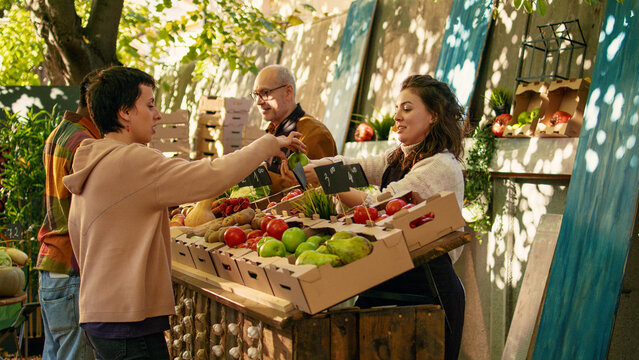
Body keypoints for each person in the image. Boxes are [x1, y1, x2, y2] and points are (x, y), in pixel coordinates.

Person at [62, 66, 305, 360]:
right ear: (125, 113)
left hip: (102, 314)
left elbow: (77, 236)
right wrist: (267, 144)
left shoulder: (95, 160)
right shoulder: (132, 161)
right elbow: (208, 177)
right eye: (149, 105)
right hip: (127, 321)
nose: (158, 114)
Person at [304, 74, 465, 360]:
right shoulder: (401, 156)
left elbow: (379, 205)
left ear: (433, 116)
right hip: (392, 277)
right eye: (396, 109)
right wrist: (323, 166)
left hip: (427, 292)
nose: (397, 117)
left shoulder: (439, 166)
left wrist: (328, 181)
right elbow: (361, 167)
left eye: (407, 108)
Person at [36, 70, 101, 360]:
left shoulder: (60, 132)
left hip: (52, 267)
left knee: (55, 353)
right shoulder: (83, 142)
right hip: (71, 268)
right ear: (91, 100)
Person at [252, 64, 337, 193]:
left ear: (288, 92)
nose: (258, 101)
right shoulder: (273, 130)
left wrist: (258, 175)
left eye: (265, 93)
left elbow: (315, 192)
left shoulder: (315, 133)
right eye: (256, 94)